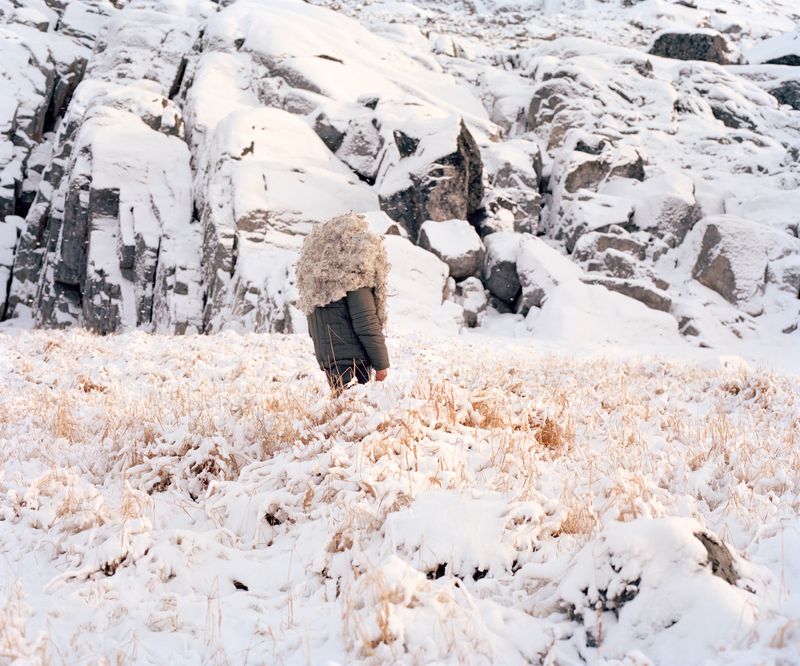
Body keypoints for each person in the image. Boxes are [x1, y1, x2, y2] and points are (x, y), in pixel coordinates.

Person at [295, 213, 390, 393]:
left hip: (330, 360)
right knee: (358, 414)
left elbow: (313, 329)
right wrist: (381, 364)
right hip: (354, 362)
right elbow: (365, 321)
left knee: (342, 411)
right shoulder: (353, 275)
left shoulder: (316, 280)